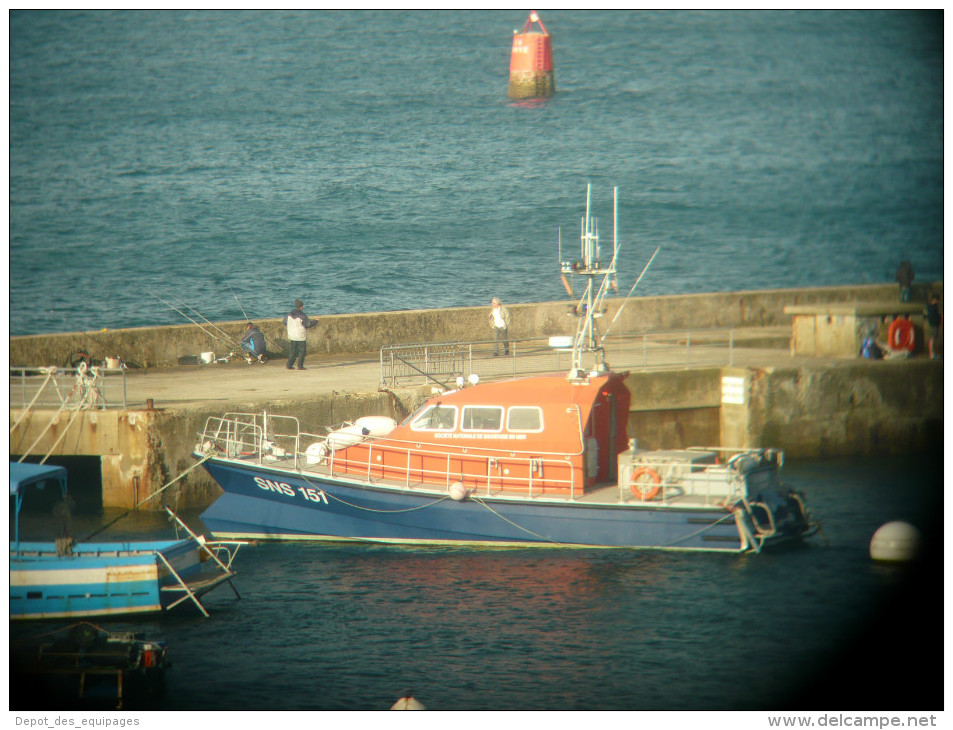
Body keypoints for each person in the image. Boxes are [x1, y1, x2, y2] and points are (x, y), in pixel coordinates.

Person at [284, 298, 317, 370]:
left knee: (293, 351)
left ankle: (289, 365)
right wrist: (316, 321)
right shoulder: (302, 315)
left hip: (292, 335)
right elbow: (308, 324)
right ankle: (300, 365)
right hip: (300, 336)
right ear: (301, 307)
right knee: (302, 351)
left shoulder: (289, 314)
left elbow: (284, 322)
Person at [926, 294, 941, 360]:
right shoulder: (934, 307)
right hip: (934, 325)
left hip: (931, 324)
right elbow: (936, 316)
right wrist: (940, 317)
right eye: (937, 300)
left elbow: (926, 315)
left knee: (932, 339)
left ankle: (932, 353)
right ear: (935, 300)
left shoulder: (928, 306)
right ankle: (932, 354)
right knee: (933, 339)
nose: (938, 302)